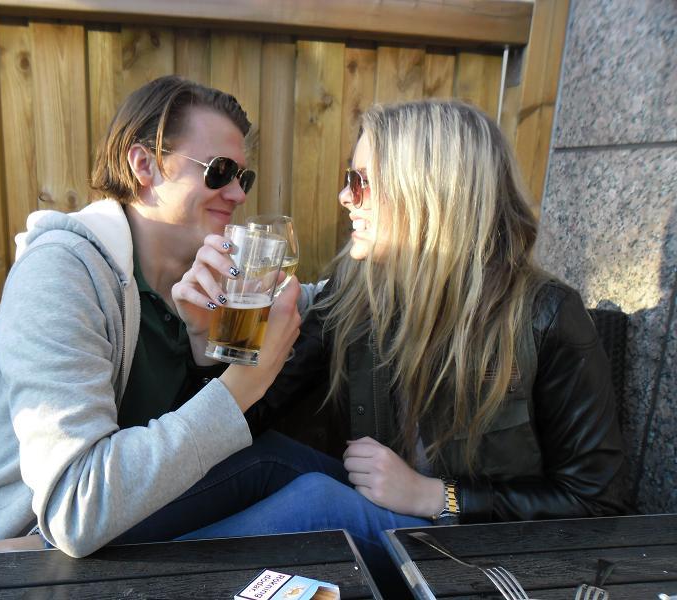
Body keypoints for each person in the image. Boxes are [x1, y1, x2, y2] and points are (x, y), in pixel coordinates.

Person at [0, 76, 346, 560]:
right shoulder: (60, 273)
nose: (238, 194)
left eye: (242, 178)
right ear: (143, 165)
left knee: (308, 489)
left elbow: (316, 296)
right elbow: (76, 506)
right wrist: (244, 383)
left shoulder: (210, 277)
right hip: (28, 551)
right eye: (219, 171)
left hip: (139, 530)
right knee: (304, 489)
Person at [175, 100, 628, 588]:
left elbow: (596, 501)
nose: (344, 197)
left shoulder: (544, 315)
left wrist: (435, 495)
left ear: (429, 192)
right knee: (260, 457)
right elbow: (250, 415)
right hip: (386, 511)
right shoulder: (356, 291)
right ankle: (119, 560)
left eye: (361, 182)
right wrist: (206, 340)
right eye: (348, 179)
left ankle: (149, 588)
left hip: (478, 553)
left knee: (317, 501)